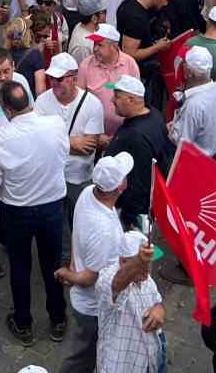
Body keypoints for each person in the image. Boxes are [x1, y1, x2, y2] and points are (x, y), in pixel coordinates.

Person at [0, 79, 70, 345]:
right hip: (53, 207)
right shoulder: (56, 124)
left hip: (17, 211)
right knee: (52, 264)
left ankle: (23, 324)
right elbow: (63, 157)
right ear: (30, 102)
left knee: (20, 267)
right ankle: (58, 319)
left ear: (7, 111)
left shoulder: (0, 137)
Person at [56, 152, 133, 373]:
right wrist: (68, 274)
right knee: (81, 358)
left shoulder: (87, 193)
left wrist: (72, 264)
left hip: (86, 301)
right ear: (121, 187)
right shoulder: (104, 231)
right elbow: (90, 278)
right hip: (92, 307)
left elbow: (75, 233)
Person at [34, 52, 107, 224]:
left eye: (59, 79)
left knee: (81, 223)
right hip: (51, 177)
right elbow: (37, 142)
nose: (54, 83)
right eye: (51, 78)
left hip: (79, 177)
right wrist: (72, 142)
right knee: (57, 227)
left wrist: (54, 141)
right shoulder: (42, 102)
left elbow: (88, 147)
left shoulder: (92, 104)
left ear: (74, 78)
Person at [102, 76, 174, 227]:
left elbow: (140, 184)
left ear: (131, 100)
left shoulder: (136, 137)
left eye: (117, 96)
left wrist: (128, 219)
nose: (112, 100)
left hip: (132, 214)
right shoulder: (153, 113)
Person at [93, 230, 164, 373]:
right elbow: (117, 283)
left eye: (149, 262)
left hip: (151, 361)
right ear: (122, 261)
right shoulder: (106, 279)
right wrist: (140, 260)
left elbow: (158, 301)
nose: (148, 269)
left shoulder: (147, 280)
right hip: (121, 366)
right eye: (143, 264)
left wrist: (159, 309)